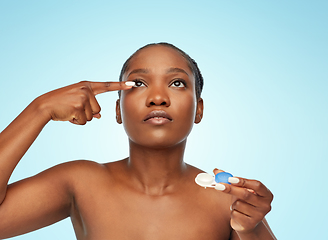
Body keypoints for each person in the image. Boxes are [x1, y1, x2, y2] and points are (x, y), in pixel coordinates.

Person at [0, 42, 276, 240]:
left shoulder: (226, 201)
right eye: (138, 84)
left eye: (177, 83)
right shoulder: (81, 182)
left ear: (199, 110)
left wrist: (251, 229)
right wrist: (40, 109)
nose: (158, 97)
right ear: (118, 110)